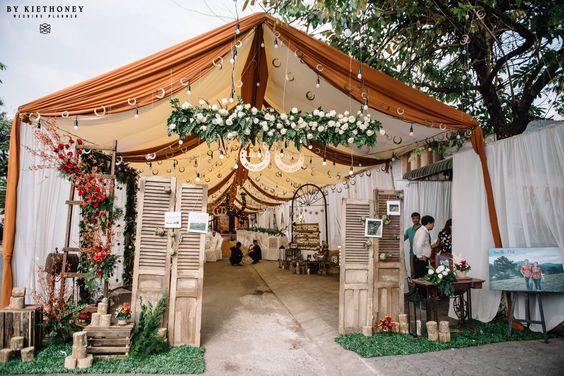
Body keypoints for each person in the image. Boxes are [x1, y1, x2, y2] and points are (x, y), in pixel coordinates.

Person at [404, 212, 421, 277]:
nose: (415, 220)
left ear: (419, 219)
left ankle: (421, 286)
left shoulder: (423, 229)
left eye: (417, 218)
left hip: (422, 254)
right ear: (412, 219)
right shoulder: (409, 230)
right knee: (413, 271)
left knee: (420, 271)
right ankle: (414, 286)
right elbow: (403, 238)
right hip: (412, 254)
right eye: (413, 218)